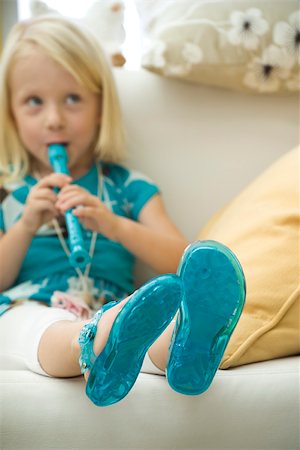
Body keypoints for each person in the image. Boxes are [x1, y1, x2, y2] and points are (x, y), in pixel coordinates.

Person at [0, 15, 246, 407]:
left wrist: (115, 226)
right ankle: (99, 341)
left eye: (72, 98)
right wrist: (26, 224)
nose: (54, 119)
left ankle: (184, 348)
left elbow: (180, 258)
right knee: (37, 327)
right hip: (28, 305)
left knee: (145, 330)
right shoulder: (9, 194)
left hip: (115, 307)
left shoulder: (126, 186)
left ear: (100, 107)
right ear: (11, 115)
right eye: (34, 102)